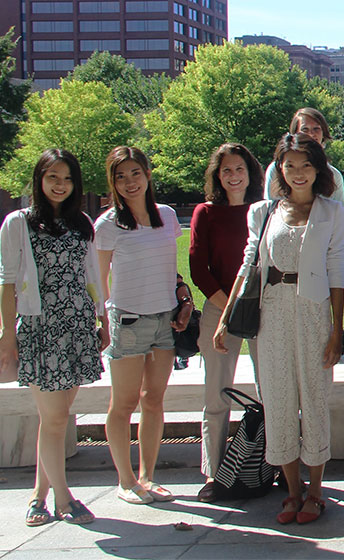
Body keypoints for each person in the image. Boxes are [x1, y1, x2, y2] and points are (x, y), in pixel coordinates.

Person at [214, 133, 344, 524]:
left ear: (318, 168)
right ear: (279, 169)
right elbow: (248, 264)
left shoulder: (331, 210)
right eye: (290, 165)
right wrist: (225, 319)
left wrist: (337, 329)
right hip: (272, 313)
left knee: (315, 398)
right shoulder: (263, 211)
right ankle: (291, 490)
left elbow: (336, 270)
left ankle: (316, 490)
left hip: (313, 312)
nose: (298, 173)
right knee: (278, 402)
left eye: (306, 164)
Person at [0, 149, 104, 525]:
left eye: (67, 178)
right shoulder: (20, 222)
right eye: (52, 177)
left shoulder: (81, 223)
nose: (60, 185)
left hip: (77, 328)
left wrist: (101, 318)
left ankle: (37, 497)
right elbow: (8, 282)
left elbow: (91, 275)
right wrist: (7, 335)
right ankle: (64, 498)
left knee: (55, 418)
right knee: (55, 417)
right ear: (39, 180)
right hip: (42, 329)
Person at [95, 146, 191, 505]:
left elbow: (168, 268)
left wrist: (182, 297)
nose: (129, 182)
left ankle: (148, 477)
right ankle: (126, 480)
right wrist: (102, 318)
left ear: (148, 174)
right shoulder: (106, 225)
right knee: (123, 404)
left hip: (163, 321)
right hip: (127, 321)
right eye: (120, 176)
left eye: (135, 173)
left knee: (153, 401)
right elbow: (98, 277)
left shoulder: (165, 216)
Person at [189, 143, 265, 502]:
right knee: (216, 395)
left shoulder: (264, 211)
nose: (233, 176)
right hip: (219, 309)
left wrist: (246, 305)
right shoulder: (206, 213)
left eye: (239, 169)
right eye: (226, 171)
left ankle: (270, 466)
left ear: (250, 174)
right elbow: (197, 269)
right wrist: (229, 306)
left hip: (262, 309)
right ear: (217, 177)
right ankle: (214, 472)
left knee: (271, 393)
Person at [264, 108, 344, 207]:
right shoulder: (276, 169)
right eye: (305, 129)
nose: (311, 134)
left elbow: (339, 215)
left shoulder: (334, 176)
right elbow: (270, 209)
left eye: (316, 129)